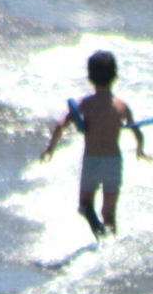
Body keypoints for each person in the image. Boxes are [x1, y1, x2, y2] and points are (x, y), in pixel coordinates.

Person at [40, 50, 146, 237]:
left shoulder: (85, 104)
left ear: (89, 77)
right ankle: (110, 243)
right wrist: (140, 150)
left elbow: (61, 125)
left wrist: (50, 148)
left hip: (92, 161)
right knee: (109, 213)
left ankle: (100, 234)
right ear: (115, 75)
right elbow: (137, 132)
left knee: (84, 206)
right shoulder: (122, 106)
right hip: (114, 162)